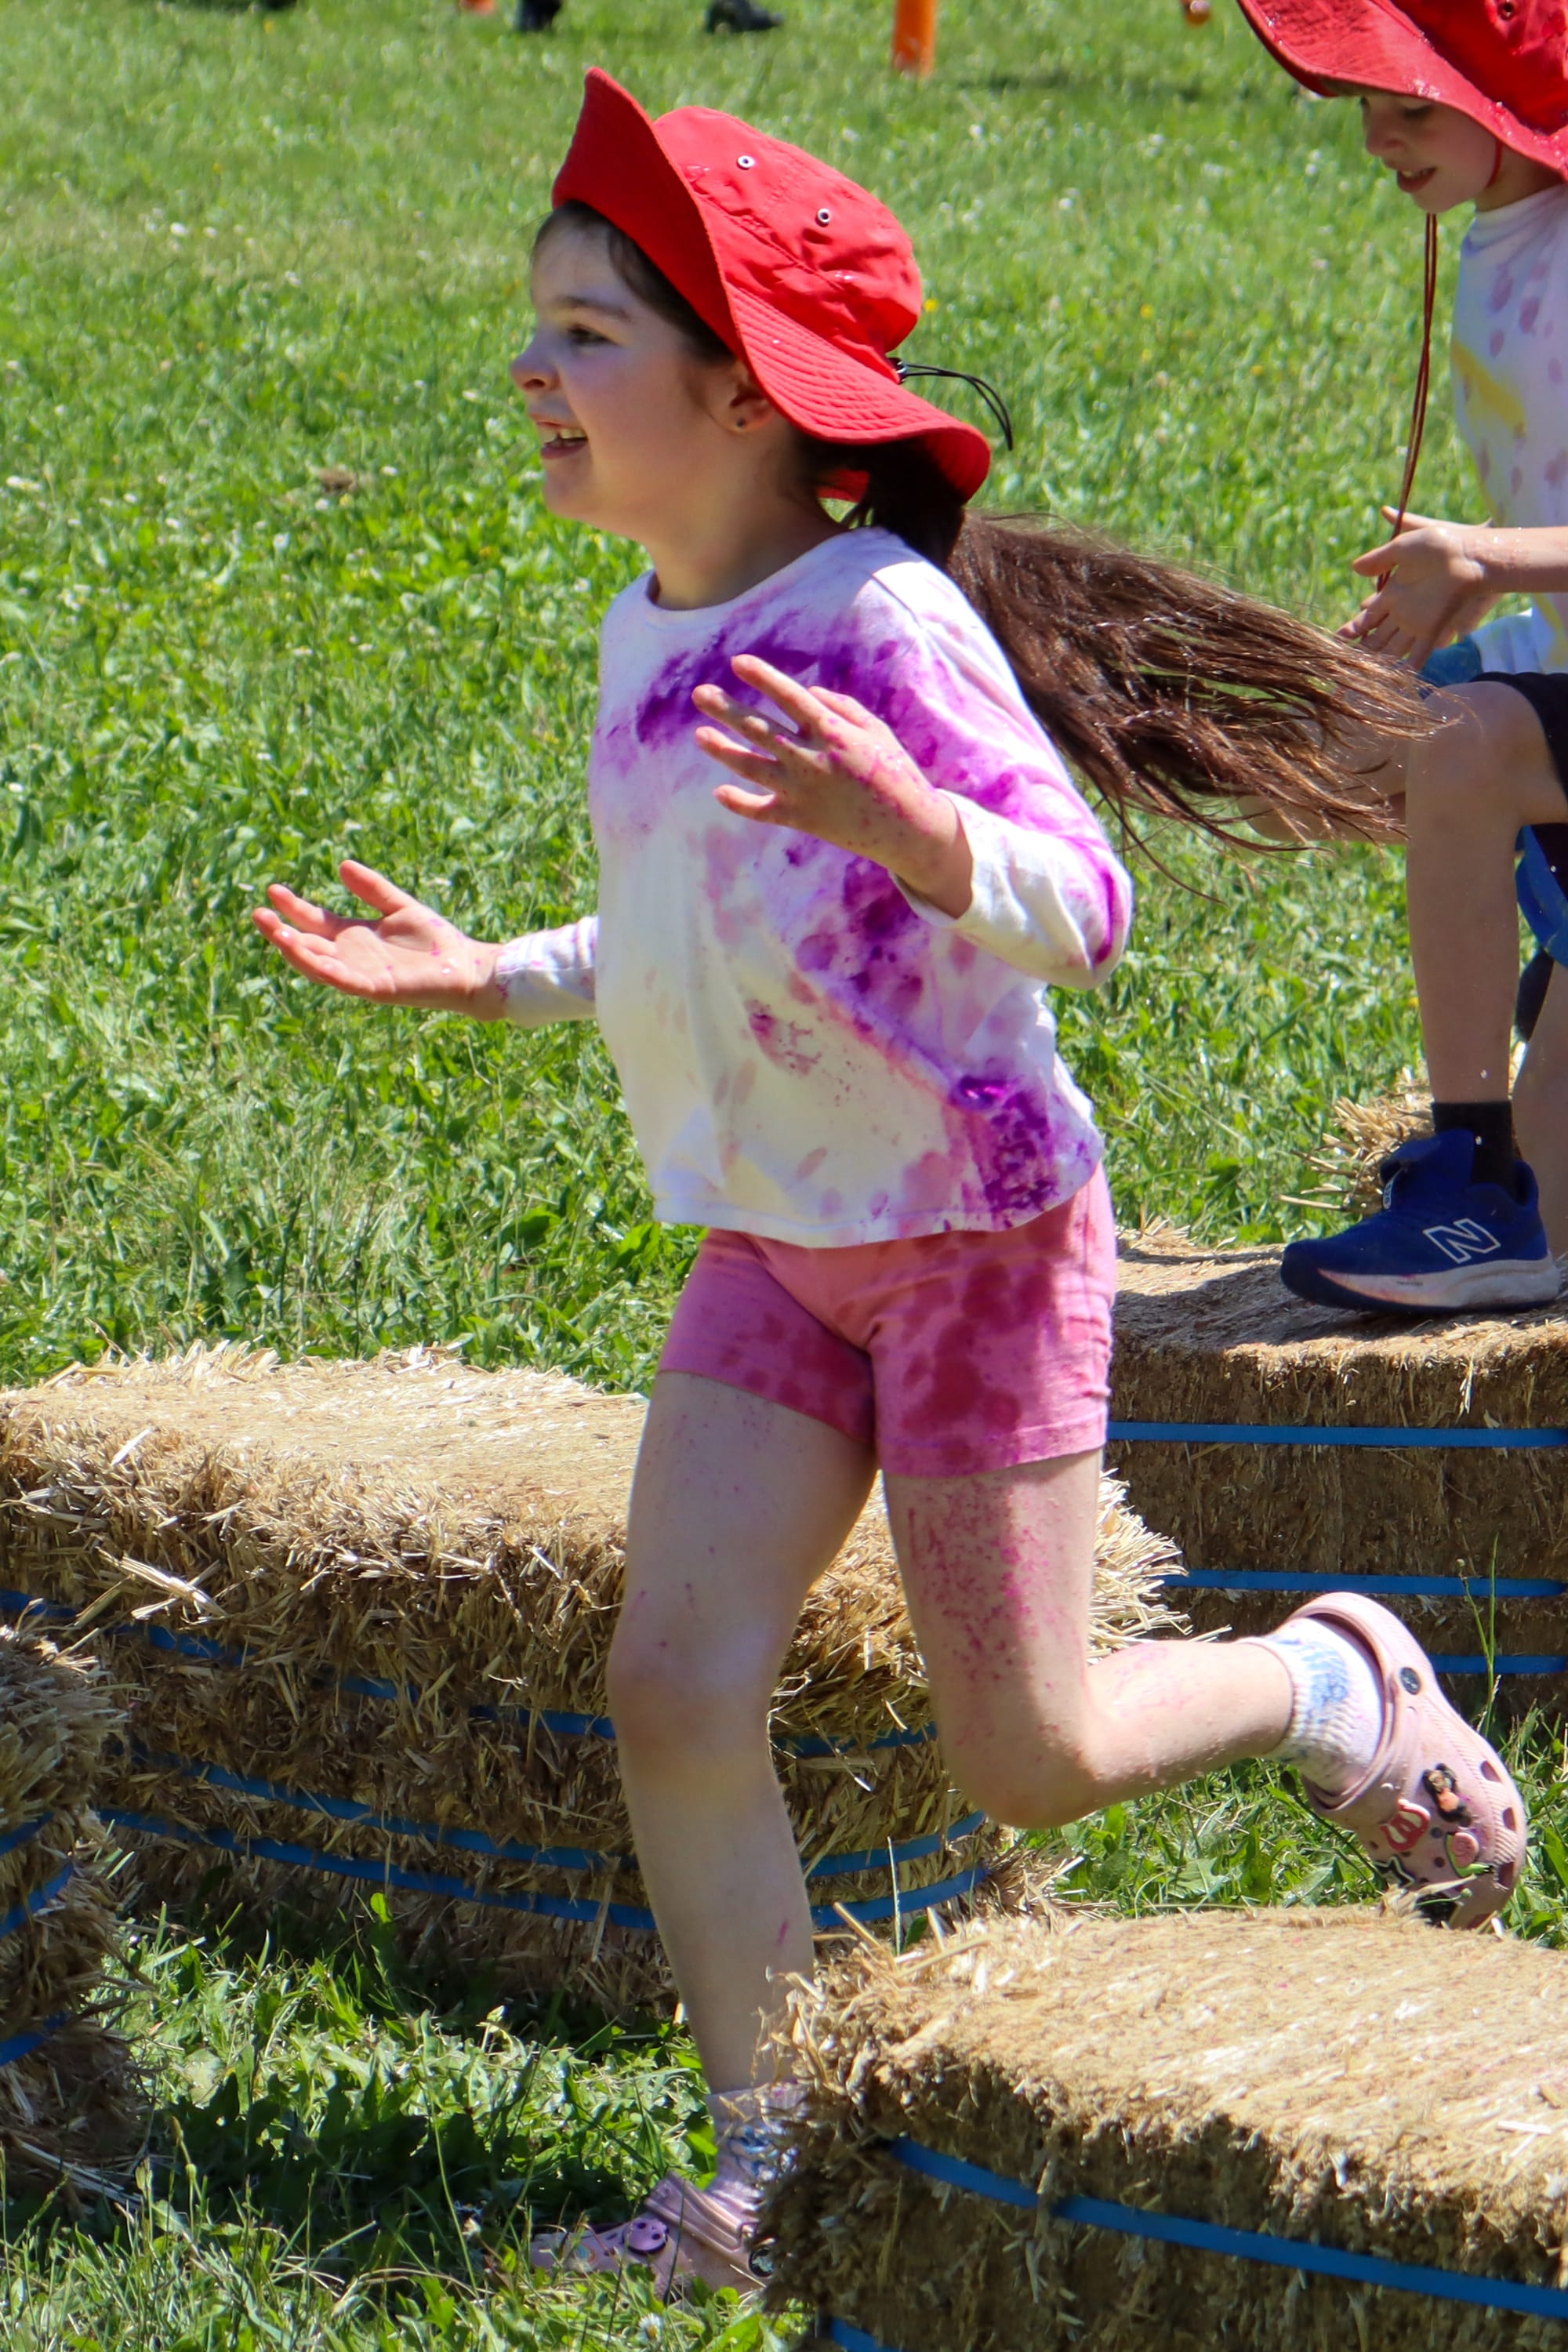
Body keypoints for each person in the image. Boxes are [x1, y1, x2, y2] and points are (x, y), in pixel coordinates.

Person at [253, 71, 1527, 2296]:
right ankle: (769, 2165)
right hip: (776, 1245)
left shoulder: (879, 622)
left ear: (745, 389)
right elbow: (701, 928)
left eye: (584, 334)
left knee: (1030, 1758)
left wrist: (922, 832)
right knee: (674, 1684)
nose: (531, 371)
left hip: (971, 1241)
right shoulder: (652, 621)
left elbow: (1079, 905)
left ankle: (1330, 1679)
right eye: (537, 326)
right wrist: (501, 974)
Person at [1230, 0, 1568, 1314]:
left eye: (1412, 104)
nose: (1377, 135)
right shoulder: (1503, 239)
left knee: (1464, 748)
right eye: (1367, 103)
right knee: (1339, 745)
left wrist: (1490, 558)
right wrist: (1450, 611)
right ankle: (1507, 1179)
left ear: (1508, 101)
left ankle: (1470, 1174)